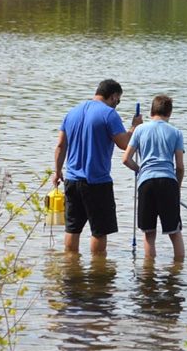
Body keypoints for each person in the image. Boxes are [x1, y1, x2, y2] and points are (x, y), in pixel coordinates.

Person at [53, 79, 142, 255]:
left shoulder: (72, 113)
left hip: (71, 180)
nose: (117, 103)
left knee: (72, 229)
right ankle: (98, 271)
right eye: (119, 100)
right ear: (114, 96)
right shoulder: (109, 114)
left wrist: (57, 172)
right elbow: (124, 144)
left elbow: (60, 146)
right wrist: (135, 127)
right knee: (99, 231)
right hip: (97, 182)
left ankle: (72, 269)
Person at [122, 94, 185, 261]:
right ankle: (177, 272)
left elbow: (126, 159)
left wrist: (140, 170)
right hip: (168, 182)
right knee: (175, 233)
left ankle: (148, 276)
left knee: (149, 233)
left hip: (146, 182)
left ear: (151, 112)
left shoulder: (140, 130)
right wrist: (176, 188)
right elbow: (179, 167)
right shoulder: (176, 133)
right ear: (169, 113)